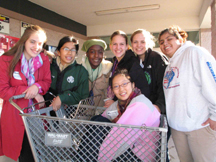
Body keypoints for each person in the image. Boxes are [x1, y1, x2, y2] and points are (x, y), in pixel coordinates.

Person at [159, 25, 216, 162]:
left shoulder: (194, 52)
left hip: (199, 126)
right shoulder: (169, 66)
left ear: (181, 39)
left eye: (169, 39)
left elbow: (212, 83)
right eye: (161, 42)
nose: (165, 43)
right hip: (178, 128)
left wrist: (215, 114)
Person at [0, 25, 51, 162]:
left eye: (40, 43)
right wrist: (30, 91)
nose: (36, 47)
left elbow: (47, 82)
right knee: (22, 153)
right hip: (15, 115)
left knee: (36, 153)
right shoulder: (6, 60)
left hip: (37, 117)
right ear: (24, 41)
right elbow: (3, 90)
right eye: (32, 42)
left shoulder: (44, 60)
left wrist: (38, 86)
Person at [98, 69, 161, 161]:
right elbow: (102, 118)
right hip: (130, 149)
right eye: (116, 86)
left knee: (99, 126)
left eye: (125, 84)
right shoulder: (119, 105)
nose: (121, 89)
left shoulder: (140, 104)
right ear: (112, 90)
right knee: (98, 120)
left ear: (133, 85)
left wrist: (101, 159)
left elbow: (120, 137)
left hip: (139, 155)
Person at [104, 30, 150, 108]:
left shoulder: (132, 63)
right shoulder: (116, 62)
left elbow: (141, 91)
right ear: (111, 46)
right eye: (115, 44)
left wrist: (116, 103)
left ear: (127, 46)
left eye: (121, 44)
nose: (118, 47)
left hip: (133, 109)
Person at [44, 36, 89, 111]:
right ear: (58, 51)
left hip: (69, 116)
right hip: (45, 113)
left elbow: (83, 97)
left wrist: (62, 98)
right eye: (66, 49)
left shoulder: (81, 71)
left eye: (73, 50)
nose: (69, 53)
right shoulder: (49, 66)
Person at [130, 29, 168, 114]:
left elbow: (165, 86)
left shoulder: (157, 58)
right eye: (135, 42)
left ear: (149, 43)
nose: (139, 45)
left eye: (142, 42)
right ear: (131, 44)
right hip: (139, 110)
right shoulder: (133, 62)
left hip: (155, 110)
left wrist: (159, 106)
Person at [81, 39, 113, 107]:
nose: (96, 55)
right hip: (82, 112)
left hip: (101, 112)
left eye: (100, 52)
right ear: (87, 54)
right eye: (92, 52)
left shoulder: (109, 70)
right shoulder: (80, 70)